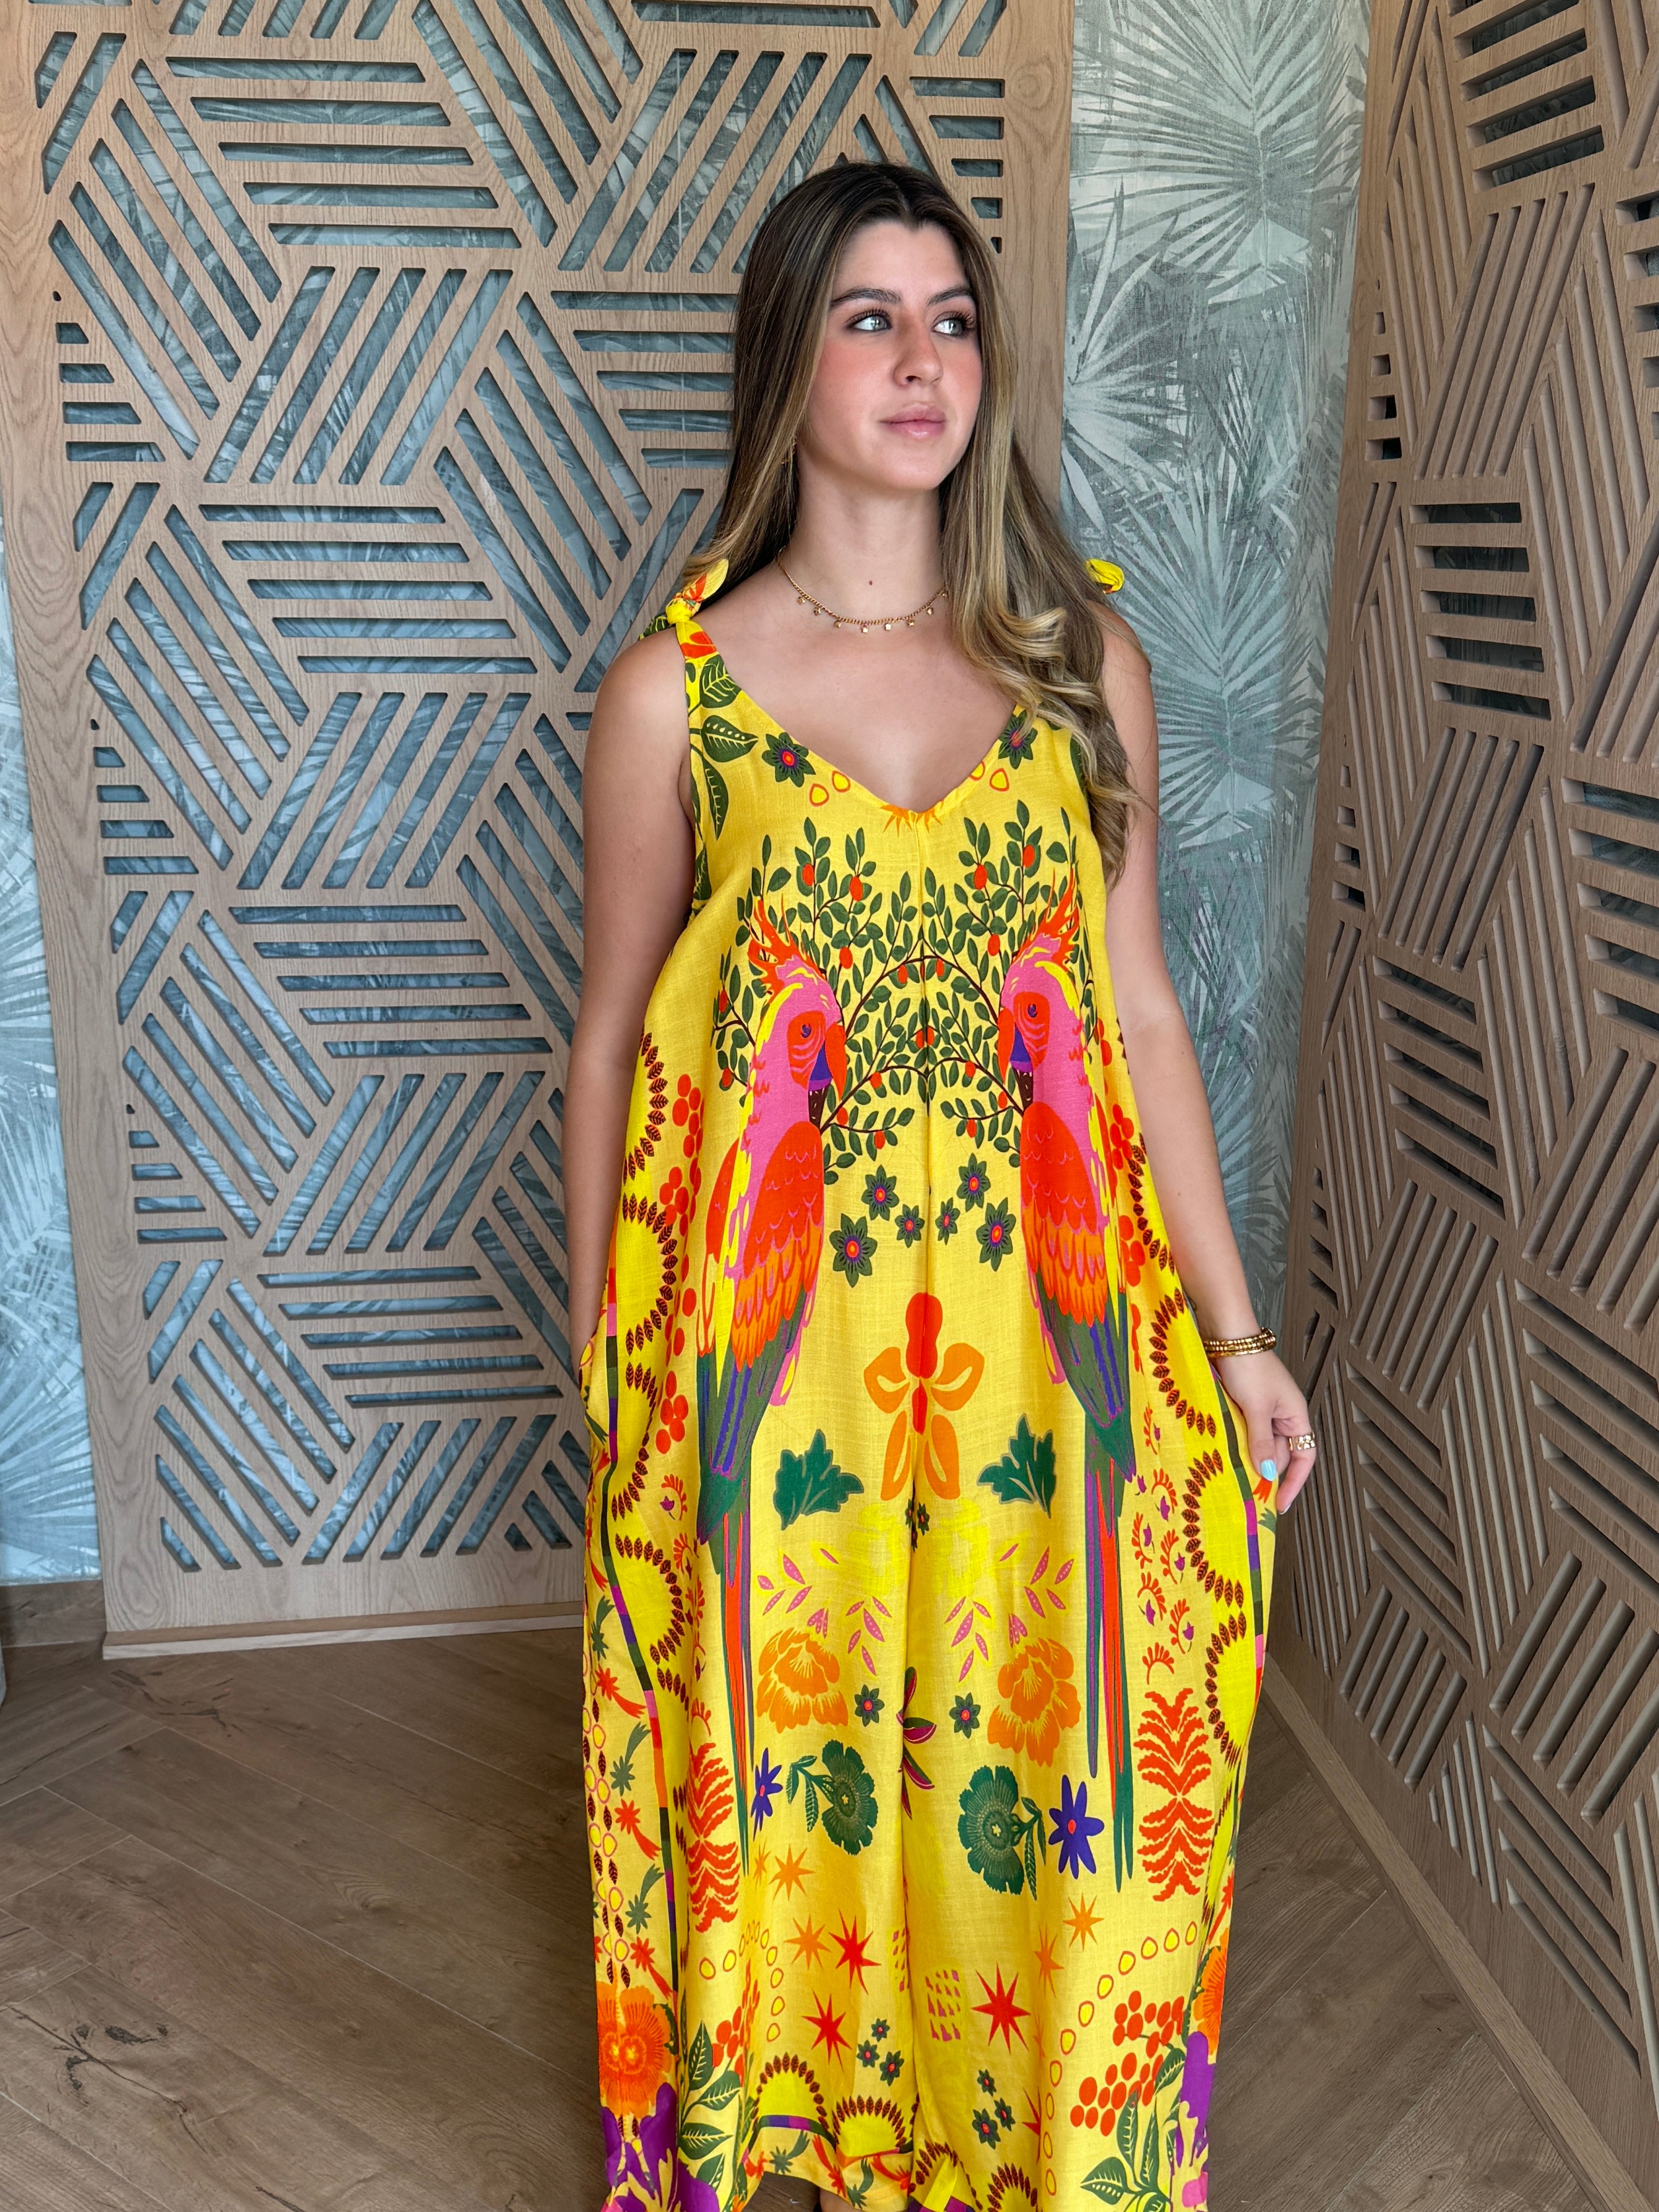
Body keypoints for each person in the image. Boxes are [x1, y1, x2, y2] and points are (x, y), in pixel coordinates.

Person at [567, 160, 1315, 2212]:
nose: (924, 361)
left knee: (1053, 1753)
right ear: (785, 358)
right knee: (780, 1758)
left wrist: (1237, 1329)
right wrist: (603, 1349)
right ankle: (798, 2119)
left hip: (1045, 1353)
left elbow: (1138, 1008)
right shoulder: (677, 698)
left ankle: (1034, 2137)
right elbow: (615, 1032)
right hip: (780, 1358)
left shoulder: (1080, 668)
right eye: (870, 318)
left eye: (953, 318)